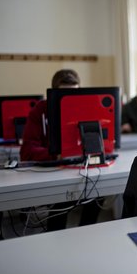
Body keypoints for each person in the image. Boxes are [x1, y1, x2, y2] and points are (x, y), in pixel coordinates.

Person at [20, 69, 101, 231]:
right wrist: (57, 155)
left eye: (74, 94)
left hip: (82, 166)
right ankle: (55, 240)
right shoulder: (40, 111)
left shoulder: (86, 107)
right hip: (55, 169)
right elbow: (27, 151)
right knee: (61, 203)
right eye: (64, 95)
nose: (70, 100)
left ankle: (86, 235)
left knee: (98, 194)